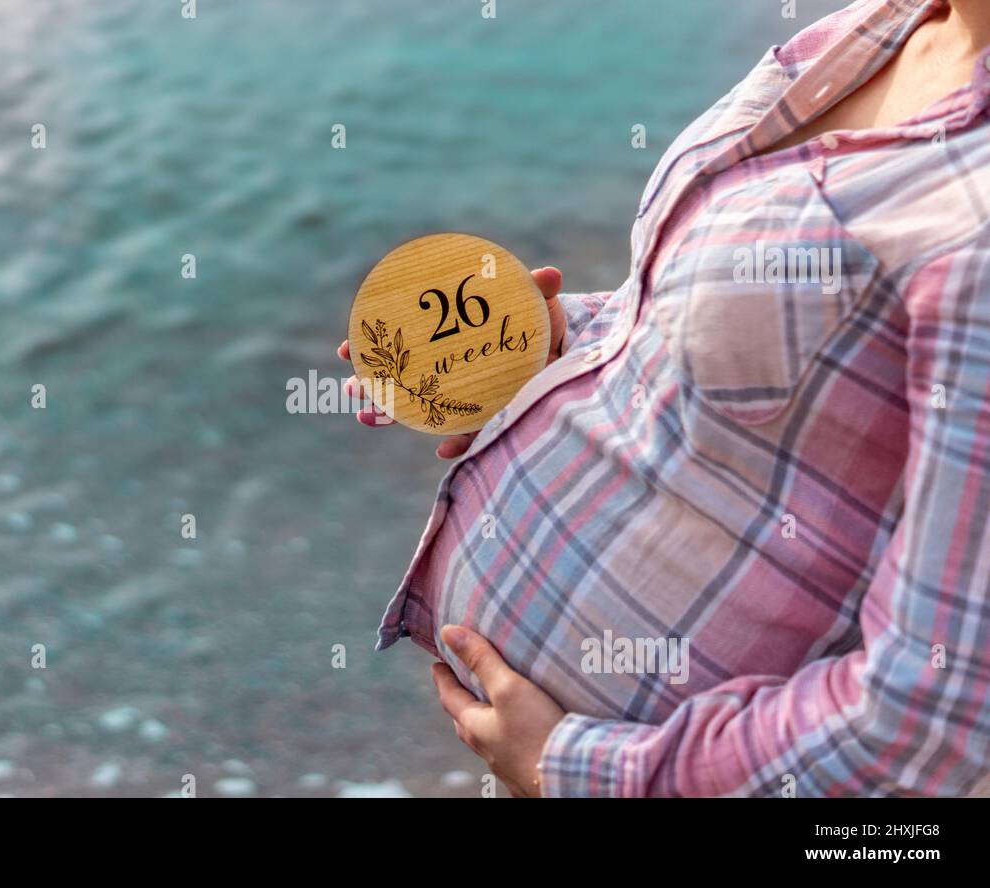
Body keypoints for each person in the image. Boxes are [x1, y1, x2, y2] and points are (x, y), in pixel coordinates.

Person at [338, 0, 990, 797]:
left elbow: (931, 715)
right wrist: (561, 341)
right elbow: (766, 332)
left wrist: (580, 772)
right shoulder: (884, 26)